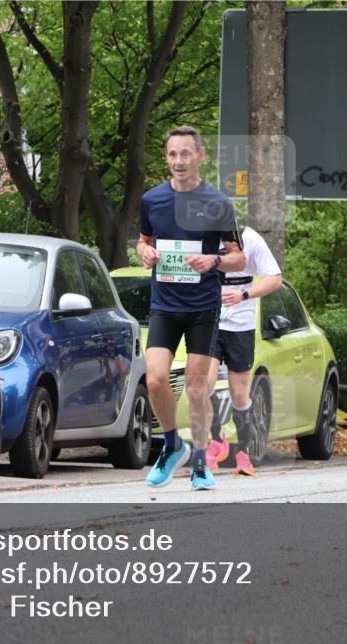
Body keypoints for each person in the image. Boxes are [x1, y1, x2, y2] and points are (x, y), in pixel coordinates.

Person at [138, 125, 245, 491]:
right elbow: (142, 241)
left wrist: (212, 261)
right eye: (172, 154)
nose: (178, 161)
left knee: (198, 390)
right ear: (166, 158)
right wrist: (145, 253)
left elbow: (239, 258)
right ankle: (172, 446)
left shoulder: (218, 204)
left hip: (203, 308)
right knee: (154, 380)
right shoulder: (152, 200)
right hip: (165, 305)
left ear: (200, 156)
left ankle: (201, 461)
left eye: (185, 153)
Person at [203, 225, 283, 476]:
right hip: (210, 322)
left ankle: (244, 452)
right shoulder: (204, 238)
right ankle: (217, 440)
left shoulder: (252, 240)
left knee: (239, 394)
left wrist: (245, 294)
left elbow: (275, 278)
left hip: (241, 327)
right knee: (203, 384)